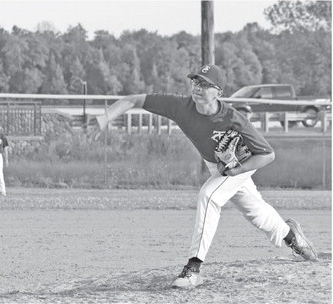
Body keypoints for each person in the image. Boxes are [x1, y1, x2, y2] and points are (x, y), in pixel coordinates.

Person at [89, 64, 318, 288]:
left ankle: (193, 268)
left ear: (219, 92)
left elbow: (267, 154)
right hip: (216, 166)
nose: (198, 87)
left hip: (238, 165)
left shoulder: (233, 118)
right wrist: (104, 118)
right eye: (196, 81)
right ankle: (291, 236)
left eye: (205, 84)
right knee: (255, 212)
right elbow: (133, 99)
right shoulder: (180, 106)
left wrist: (237, 170)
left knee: (208, 197)